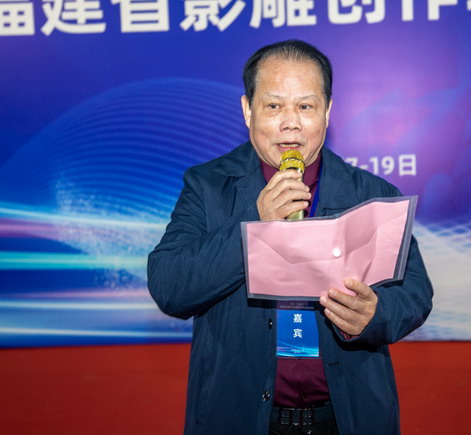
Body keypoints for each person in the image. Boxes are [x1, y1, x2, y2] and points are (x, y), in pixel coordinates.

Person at [147, 40, 433, 434]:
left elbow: (415, 292)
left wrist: (374, 314)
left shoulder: (371, 193)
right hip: (241, 417)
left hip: (346, 417)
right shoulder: (208, 186)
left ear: (327, 112)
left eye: (305, 106)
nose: (290, 123)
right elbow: (170, 286)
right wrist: (255, 222)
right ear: (248, 110)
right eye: (274, 106)